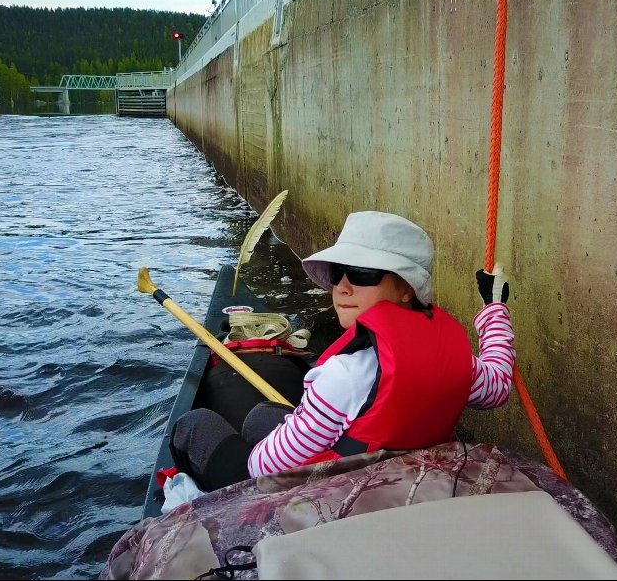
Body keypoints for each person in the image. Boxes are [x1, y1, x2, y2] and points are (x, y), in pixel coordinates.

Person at [170, 210, 514, 491]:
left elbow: (263, 467)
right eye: (338, 272)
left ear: (407, 288)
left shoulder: (343, 375)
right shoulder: (454, 361)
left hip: (338, 494)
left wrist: (286, 435)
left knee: (194, 425)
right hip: (400, 480)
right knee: (261, 415)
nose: (343, 287)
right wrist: (495, 306)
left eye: (363, 273)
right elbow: (498, 385)